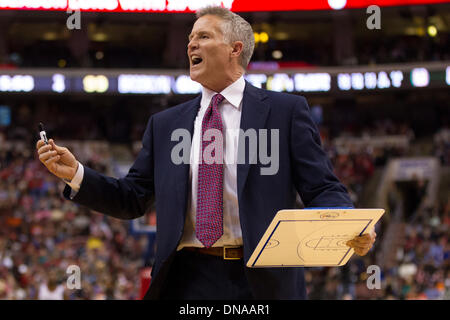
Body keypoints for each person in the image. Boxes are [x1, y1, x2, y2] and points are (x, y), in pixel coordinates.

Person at [36, 6, 376, 299]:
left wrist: (347, 224)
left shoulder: (286, 111)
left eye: (203, 37)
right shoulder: (165, 125)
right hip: (187, 278)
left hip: (263, 278)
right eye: (190, 39)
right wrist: (77, 175)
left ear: (234, 48)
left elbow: (322, 187)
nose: (191, 45)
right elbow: (133, 198)